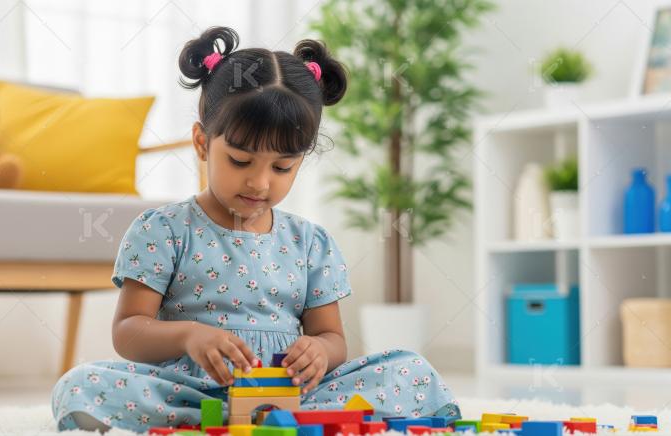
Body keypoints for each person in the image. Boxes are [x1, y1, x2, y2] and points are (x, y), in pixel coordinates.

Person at [51, 26, 460, 433]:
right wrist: (189, 336)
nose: (260, 183)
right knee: (79, 385)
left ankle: (280, 422)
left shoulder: (310, 243)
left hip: (292, 393)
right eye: (241, 161)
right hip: (193, 392)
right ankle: (228, 421)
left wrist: (318, 351)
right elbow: (128, 333)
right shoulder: (163, 230)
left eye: (282, 167)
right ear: (201, 143)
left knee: (409, 369)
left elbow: (332, 337)